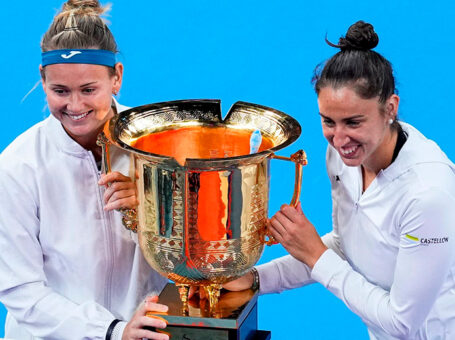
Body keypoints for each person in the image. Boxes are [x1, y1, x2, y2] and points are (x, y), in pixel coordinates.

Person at [225, 21, 455, 339]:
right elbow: (348, 246)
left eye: (353, 122)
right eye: (328, 121)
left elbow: (403, 323)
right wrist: (256, 279)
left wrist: (314, 253)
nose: (339, 138)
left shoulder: (428, 195)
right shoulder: (342, 156)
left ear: (391, 108)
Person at [0, 1, 171, 339]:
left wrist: (154, 206)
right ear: (42, 80)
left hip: (146, 331)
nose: (75, 106)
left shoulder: (158, 146)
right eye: (59, 91)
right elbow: (20, 289)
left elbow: (190, 253)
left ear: (117, 77)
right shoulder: (17, 166)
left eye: (89, 90)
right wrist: (111, 330)